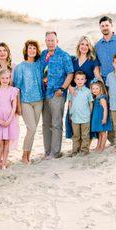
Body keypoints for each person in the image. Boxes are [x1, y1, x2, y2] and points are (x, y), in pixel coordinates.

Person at [41, 31, 74, 159]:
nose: (50, 43)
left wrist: (62, 88)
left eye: (52, 40)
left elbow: (70, 73)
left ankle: (55, 152)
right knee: (46, 124)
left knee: (56, 123)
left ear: (57, 41)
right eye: (48, 40)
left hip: (57, 94)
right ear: (45, 41)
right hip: (44, 93)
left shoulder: (63, 55)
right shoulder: (43, 55)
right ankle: (47, 151)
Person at [0, 42, 19, 166]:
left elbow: (16, 85)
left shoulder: (14, 66)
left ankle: (3, 161)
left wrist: (17, 107)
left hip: (9, 103)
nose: (2, 53)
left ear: (8, 52)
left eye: (4, 50)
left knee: (7, 137)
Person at [66, 35, 102, 138]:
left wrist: (102, 89)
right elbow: (68, 75)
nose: (84, 47)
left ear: (90, 47)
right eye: (82, 44)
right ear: (78, 45)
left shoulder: (93, 60)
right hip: (75, 92)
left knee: (87, 117)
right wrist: (69, 87)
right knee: (73, 116)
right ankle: (76, 143)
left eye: (87, 45)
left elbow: (97, 75)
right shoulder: (73, 60)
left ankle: (86, 145)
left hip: (88, 92)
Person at [13, 40, 43, 164]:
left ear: (37, 51)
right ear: (26, 50)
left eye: (34, 48)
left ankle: (27, 155)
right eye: (30, 48)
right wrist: (18, 105)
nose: (32, 50)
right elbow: (17, 88)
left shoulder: (39, 65)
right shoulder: (20, 67)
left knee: (34, 129)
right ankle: (24, 156)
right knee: (31, 128)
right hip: (25, 102)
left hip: (39, 101)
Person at [67, 71, 93, 155]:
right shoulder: (72, 91)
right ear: (74, 80)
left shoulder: (88, 91)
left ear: (85, 80)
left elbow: (91, 103)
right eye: (78, 79)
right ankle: (75, 151)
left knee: (85, 135)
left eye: (82, 79)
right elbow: (70, 102)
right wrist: (70, 113)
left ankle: (85, 150)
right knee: (76, 136)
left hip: (85, 117)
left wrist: (90, 113)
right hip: (75, 117)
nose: (80, 81)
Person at [90, 80, 112, 152]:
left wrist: (104, 118)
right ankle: (98, 147)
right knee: (99, 133)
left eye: (97, 88)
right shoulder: (96, 98)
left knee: (103, 133)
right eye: (93, 88)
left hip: (102, 118)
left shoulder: (102, 98)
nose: (95, 90)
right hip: (97, 118)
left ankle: (102, 148)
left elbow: (105, 109)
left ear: (101, 89)